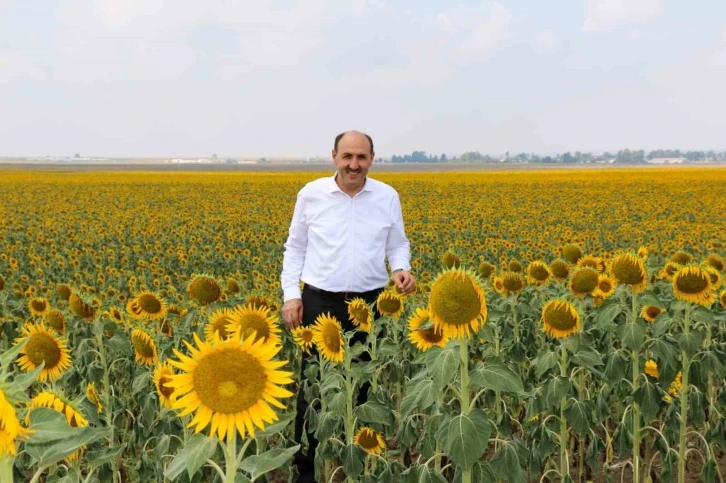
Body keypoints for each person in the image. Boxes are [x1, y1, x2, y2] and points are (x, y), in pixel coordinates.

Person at [280, 130, 415, 483]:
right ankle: (307, 472)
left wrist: (402, 269)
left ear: (371, 158)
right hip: (318, 300)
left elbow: (398, 244)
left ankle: (355, 467)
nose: (354, 164)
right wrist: (291, 295)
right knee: (314, 390)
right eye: (347, 157)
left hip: (369, 304)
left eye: (361, 157)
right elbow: (295, 248)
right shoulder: (312, 194)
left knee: (364, 389)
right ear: (334, 157)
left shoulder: (386, 196)